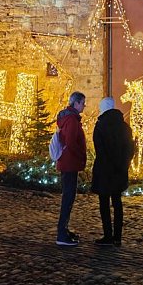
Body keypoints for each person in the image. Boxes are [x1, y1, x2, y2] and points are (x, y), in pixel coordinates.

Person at [91, 96, 134, 246]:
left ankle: (108, 235)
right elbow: (130, 149)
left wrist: (106, 165)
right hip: (119, 171)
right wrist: (124, 165)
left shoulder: (100, 126)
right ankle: (117, 237)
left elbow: (99, 150)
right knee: (117, 203)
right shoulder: (124, 127)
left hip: (104, 172)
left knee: (104, 204)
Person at [55, 91, 87, 247]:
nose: (84, 106)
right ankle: (61, 234)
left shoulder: (68, 118)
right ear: (75, 103)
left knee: (68, 198)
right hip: (70, 164)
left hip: (67, 163)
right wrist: (81, 156)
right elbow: (71, 143)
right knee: (68, 198)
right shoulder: (72, 121)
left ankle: (64, 230)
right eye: (82, 103)